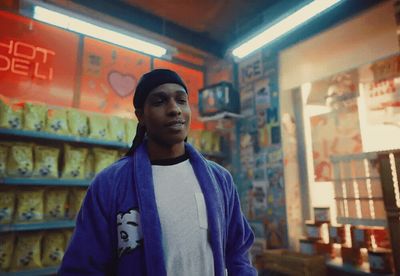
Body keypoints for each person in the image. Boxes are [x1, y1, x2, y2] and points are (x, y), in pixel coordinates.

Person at [59, 69, 256, 276]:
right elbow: (82, 268)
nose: (174, 110)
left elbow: (237, 252)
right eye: (159, 101)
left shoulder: (219, 179)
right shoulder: (110, 184)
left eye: (181, 100)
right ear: (140, 116)